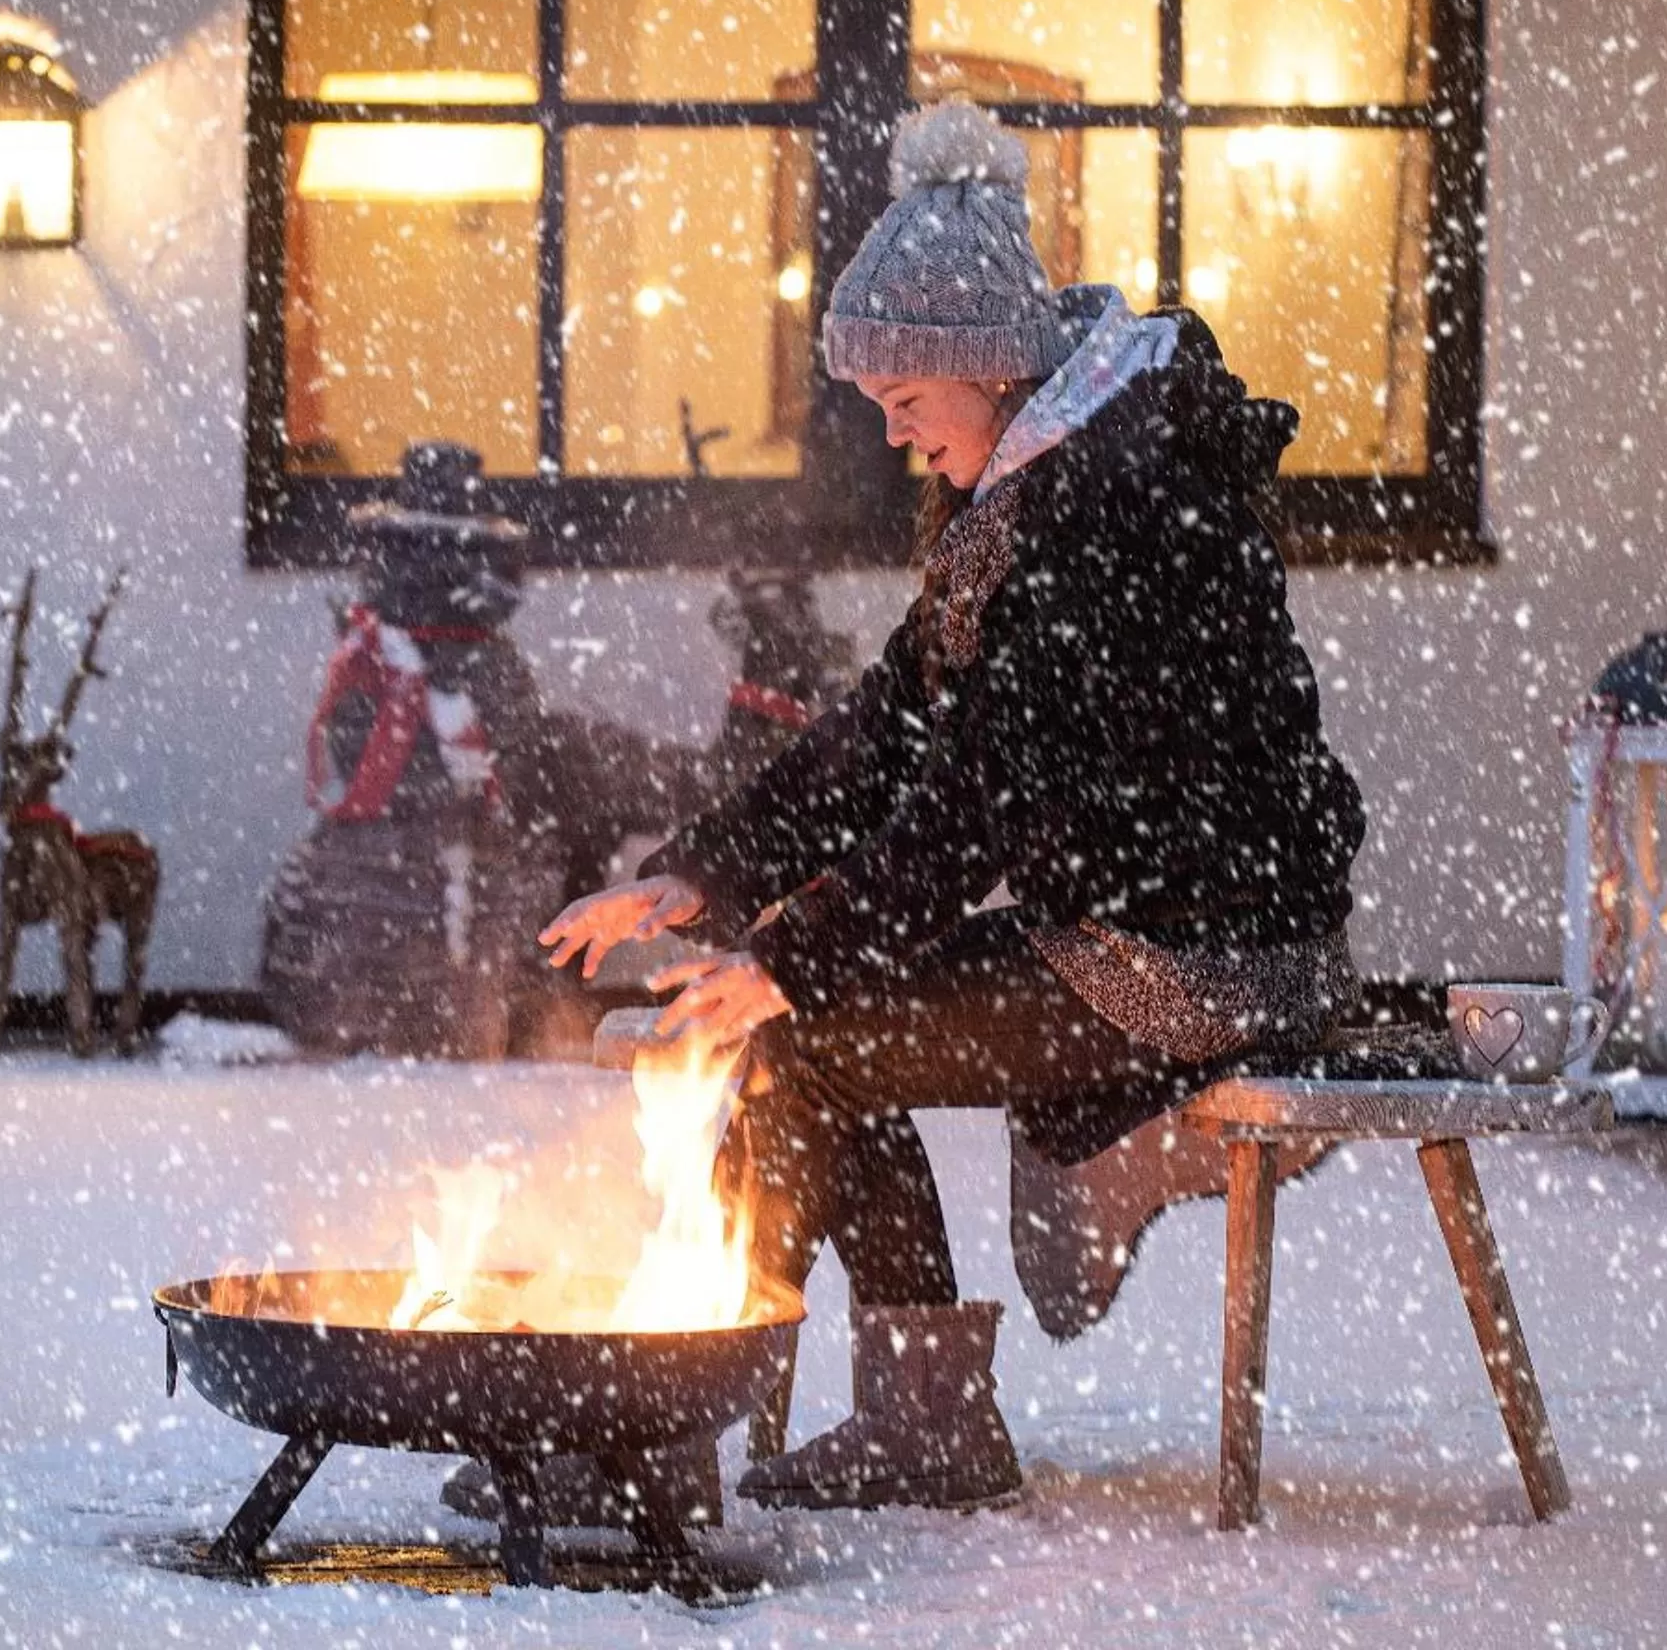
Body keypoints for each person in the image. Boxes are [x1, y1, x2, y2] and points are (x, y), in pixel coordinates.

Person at [541, 99, 1368, 1513]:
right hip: (1128, 919)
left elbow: (979, 804)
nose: (892, 431)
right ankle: (707, 1418)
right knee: (801, 1029)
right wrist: (697, 878)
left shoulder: (1102, 509)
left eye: (905, 399)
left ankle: (762, 1425)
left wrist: (788, 963)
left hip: (1196, 951)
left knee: (807, 1043)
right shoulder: (1030, 495)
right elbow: (895, 727)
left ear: (988, 366)